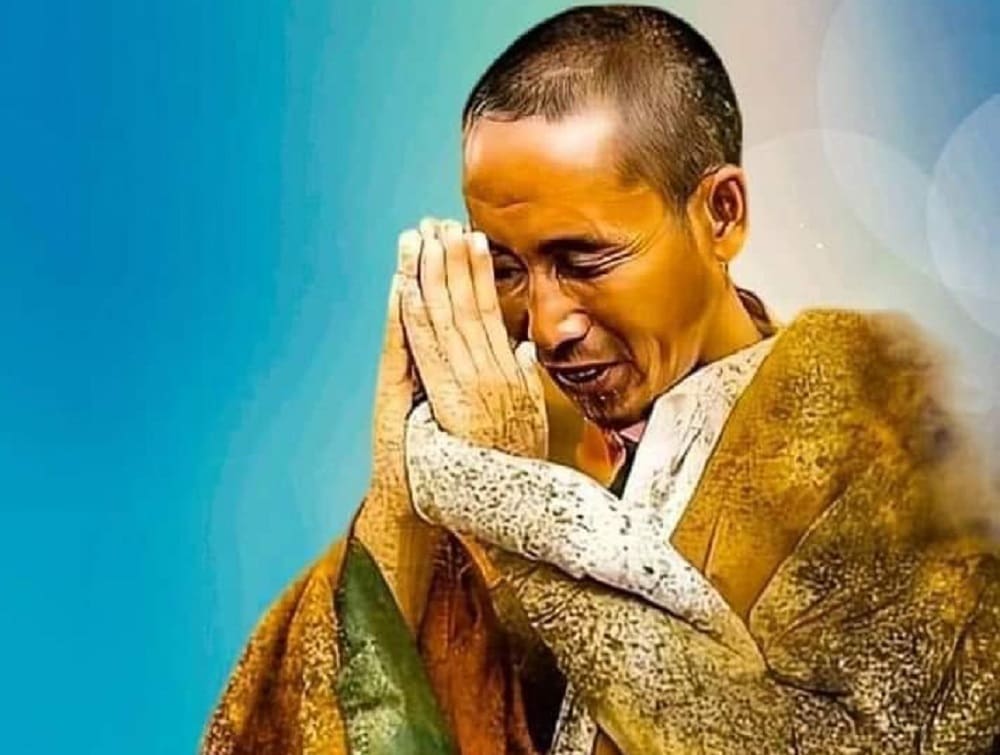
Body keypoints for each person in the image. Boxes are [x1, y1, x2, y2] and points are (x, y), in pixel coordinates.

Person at [202, 6, 1000, 754]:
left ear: (721, 214)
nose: (548, 327)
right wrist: (400, 494)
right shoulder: (528, 430)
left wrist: (514, 504)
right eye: (507, 269)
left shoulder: (882, 424)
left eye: (584, 260)